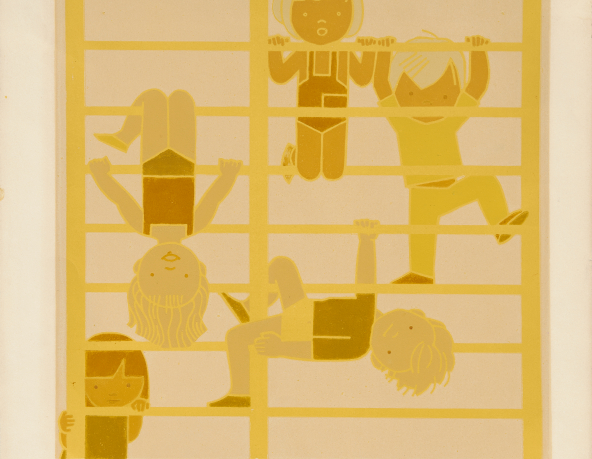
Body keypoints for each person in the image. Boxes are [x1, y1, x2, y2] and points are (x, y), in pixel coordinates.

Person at [208, 220, 455, 407]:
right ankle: (250, 308)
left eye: (392, 350)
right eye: (408, 327)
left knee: (236, 337)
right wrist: (366, 240)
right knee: (282, 266)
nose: (394, 333)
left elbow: (315, 351)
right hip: (305, 309)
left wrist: (281, 348)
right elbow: (365, 284)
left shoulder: (358, 345)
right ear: (412, 313)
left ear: (381, 361)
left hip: (299, 326)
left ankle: (241, 393)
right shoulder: (372, 313)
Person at [89, 89, 242, 347]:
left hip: (153, 161)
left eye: (155, 276)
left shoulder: (144, 225)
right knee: (183, 100)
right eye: (184, 277)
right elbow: (213, 199)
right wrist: (227, 176)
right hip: (184, 161)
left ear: (139, 268)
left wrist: (101, 176)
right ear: (199, 270)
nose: (170, 268)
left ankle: (124, 137)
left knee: (154, 99)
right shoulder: (193, 225)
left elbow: (120, 199)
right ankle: (123, 137)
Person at [373, 33, 529, 284]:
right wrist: (383, 51)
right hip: (421, 192)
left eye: (443, 96)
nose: (426, 102)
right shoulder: (402, 121)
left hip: (444, 188)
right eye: (411, 94)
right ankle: (422, 273)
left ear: (454, 98)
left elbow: (475, 86)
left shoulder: (447, 121)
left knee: (484, 182)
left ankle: (500, 225)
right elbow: (381, 85)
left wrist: (477, 51)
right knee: (421, 230)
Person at [269, 0, 390, 182]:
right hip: (307, 118)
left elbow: (362, 78)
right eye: (306, 15)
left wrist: (372, 51)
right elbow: (280, 75)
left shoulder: (343, 54)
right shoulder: (303, 52)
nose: (322, 22)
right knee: (308, 173)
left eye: (336, 14)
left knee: (334, 172)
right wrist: (274, 50)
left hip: (337, 119)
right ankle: (294, 155)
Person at [58, 333, 149, 459]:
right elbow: (68, 444)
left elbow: (130, 435)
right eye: (96, 386)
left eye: (128, 385)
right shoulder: (80, 411)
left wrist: (136, 410)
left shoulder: (121, 414)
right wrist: (64, 428)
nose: (113, 393)